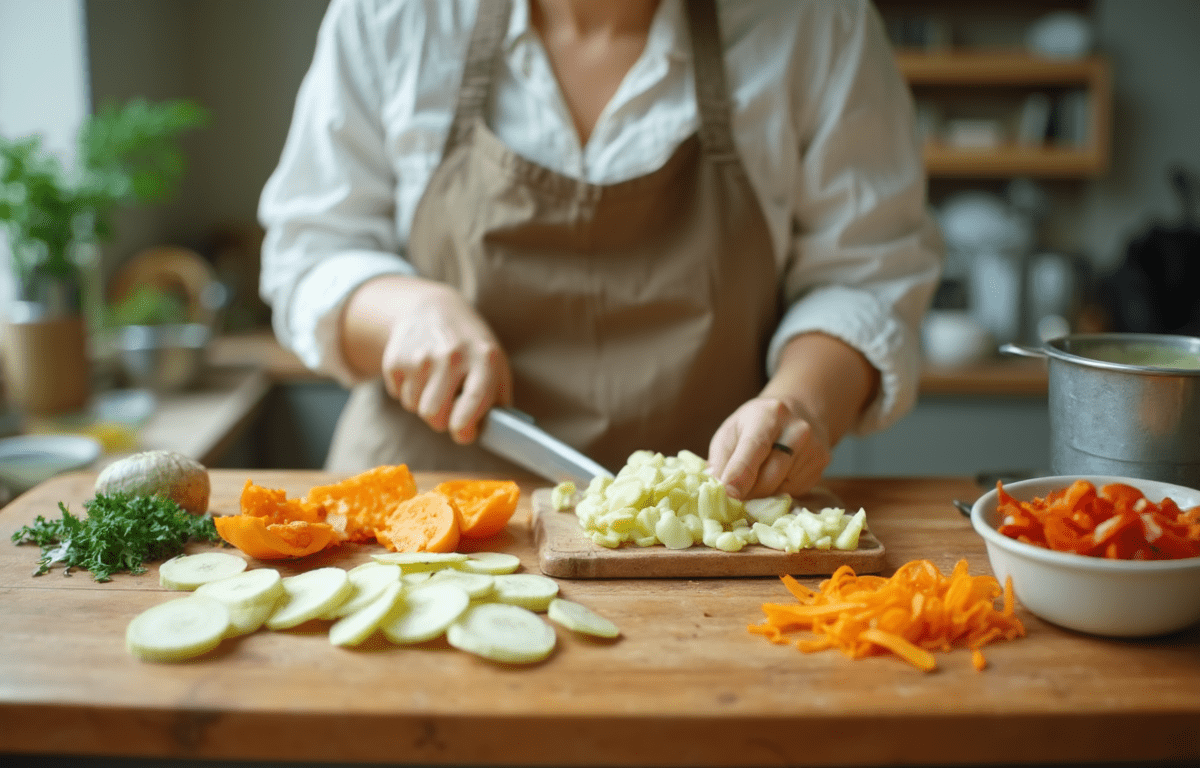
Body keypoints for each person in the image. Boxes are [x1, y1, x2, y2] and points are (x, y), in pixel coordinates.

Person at [258, 0, 942, 500]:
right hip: (418, 517)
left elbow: (867, 277)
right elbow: (311, 252)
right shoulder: (390, 17)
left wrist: (804, 403)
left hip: (714, 523)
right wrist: (406, 312)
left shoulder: (818, 25)